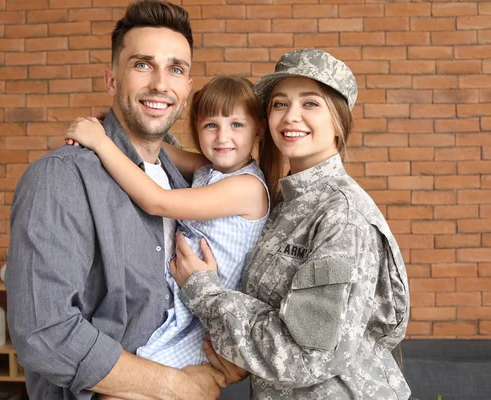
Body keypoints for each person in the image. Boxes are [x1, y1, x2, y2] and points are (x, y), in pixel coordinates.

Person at [5, 1, 232, 399]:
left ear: (187, 89)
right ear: (112, 80)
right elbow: (46, 333)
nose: (161, 83)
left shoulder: (187, 182)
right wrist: (175, 386)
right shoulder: (62, 177)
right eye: (142, 65)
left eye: (175, 68)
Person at [170, 48, 412, 399]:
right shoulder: (286, 200)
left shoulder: (341, 216)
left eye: (310, 104)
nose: (290, 117)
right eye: (280, 104)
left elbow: (306, 354)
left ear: (339, 121)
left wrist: (204, 292)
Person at [64, 75, 270, 370]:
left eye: (237, 125)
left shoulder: (247, 187)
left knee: (124, 384)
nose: (223, 137)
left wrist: (100, 143)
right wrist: (108, 127)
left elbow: (156, 201)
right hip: (179, 305)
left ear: (258, 130)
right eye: (211, 125)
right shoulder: (209, 168)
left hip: (206, 326)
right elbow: (151, 147)